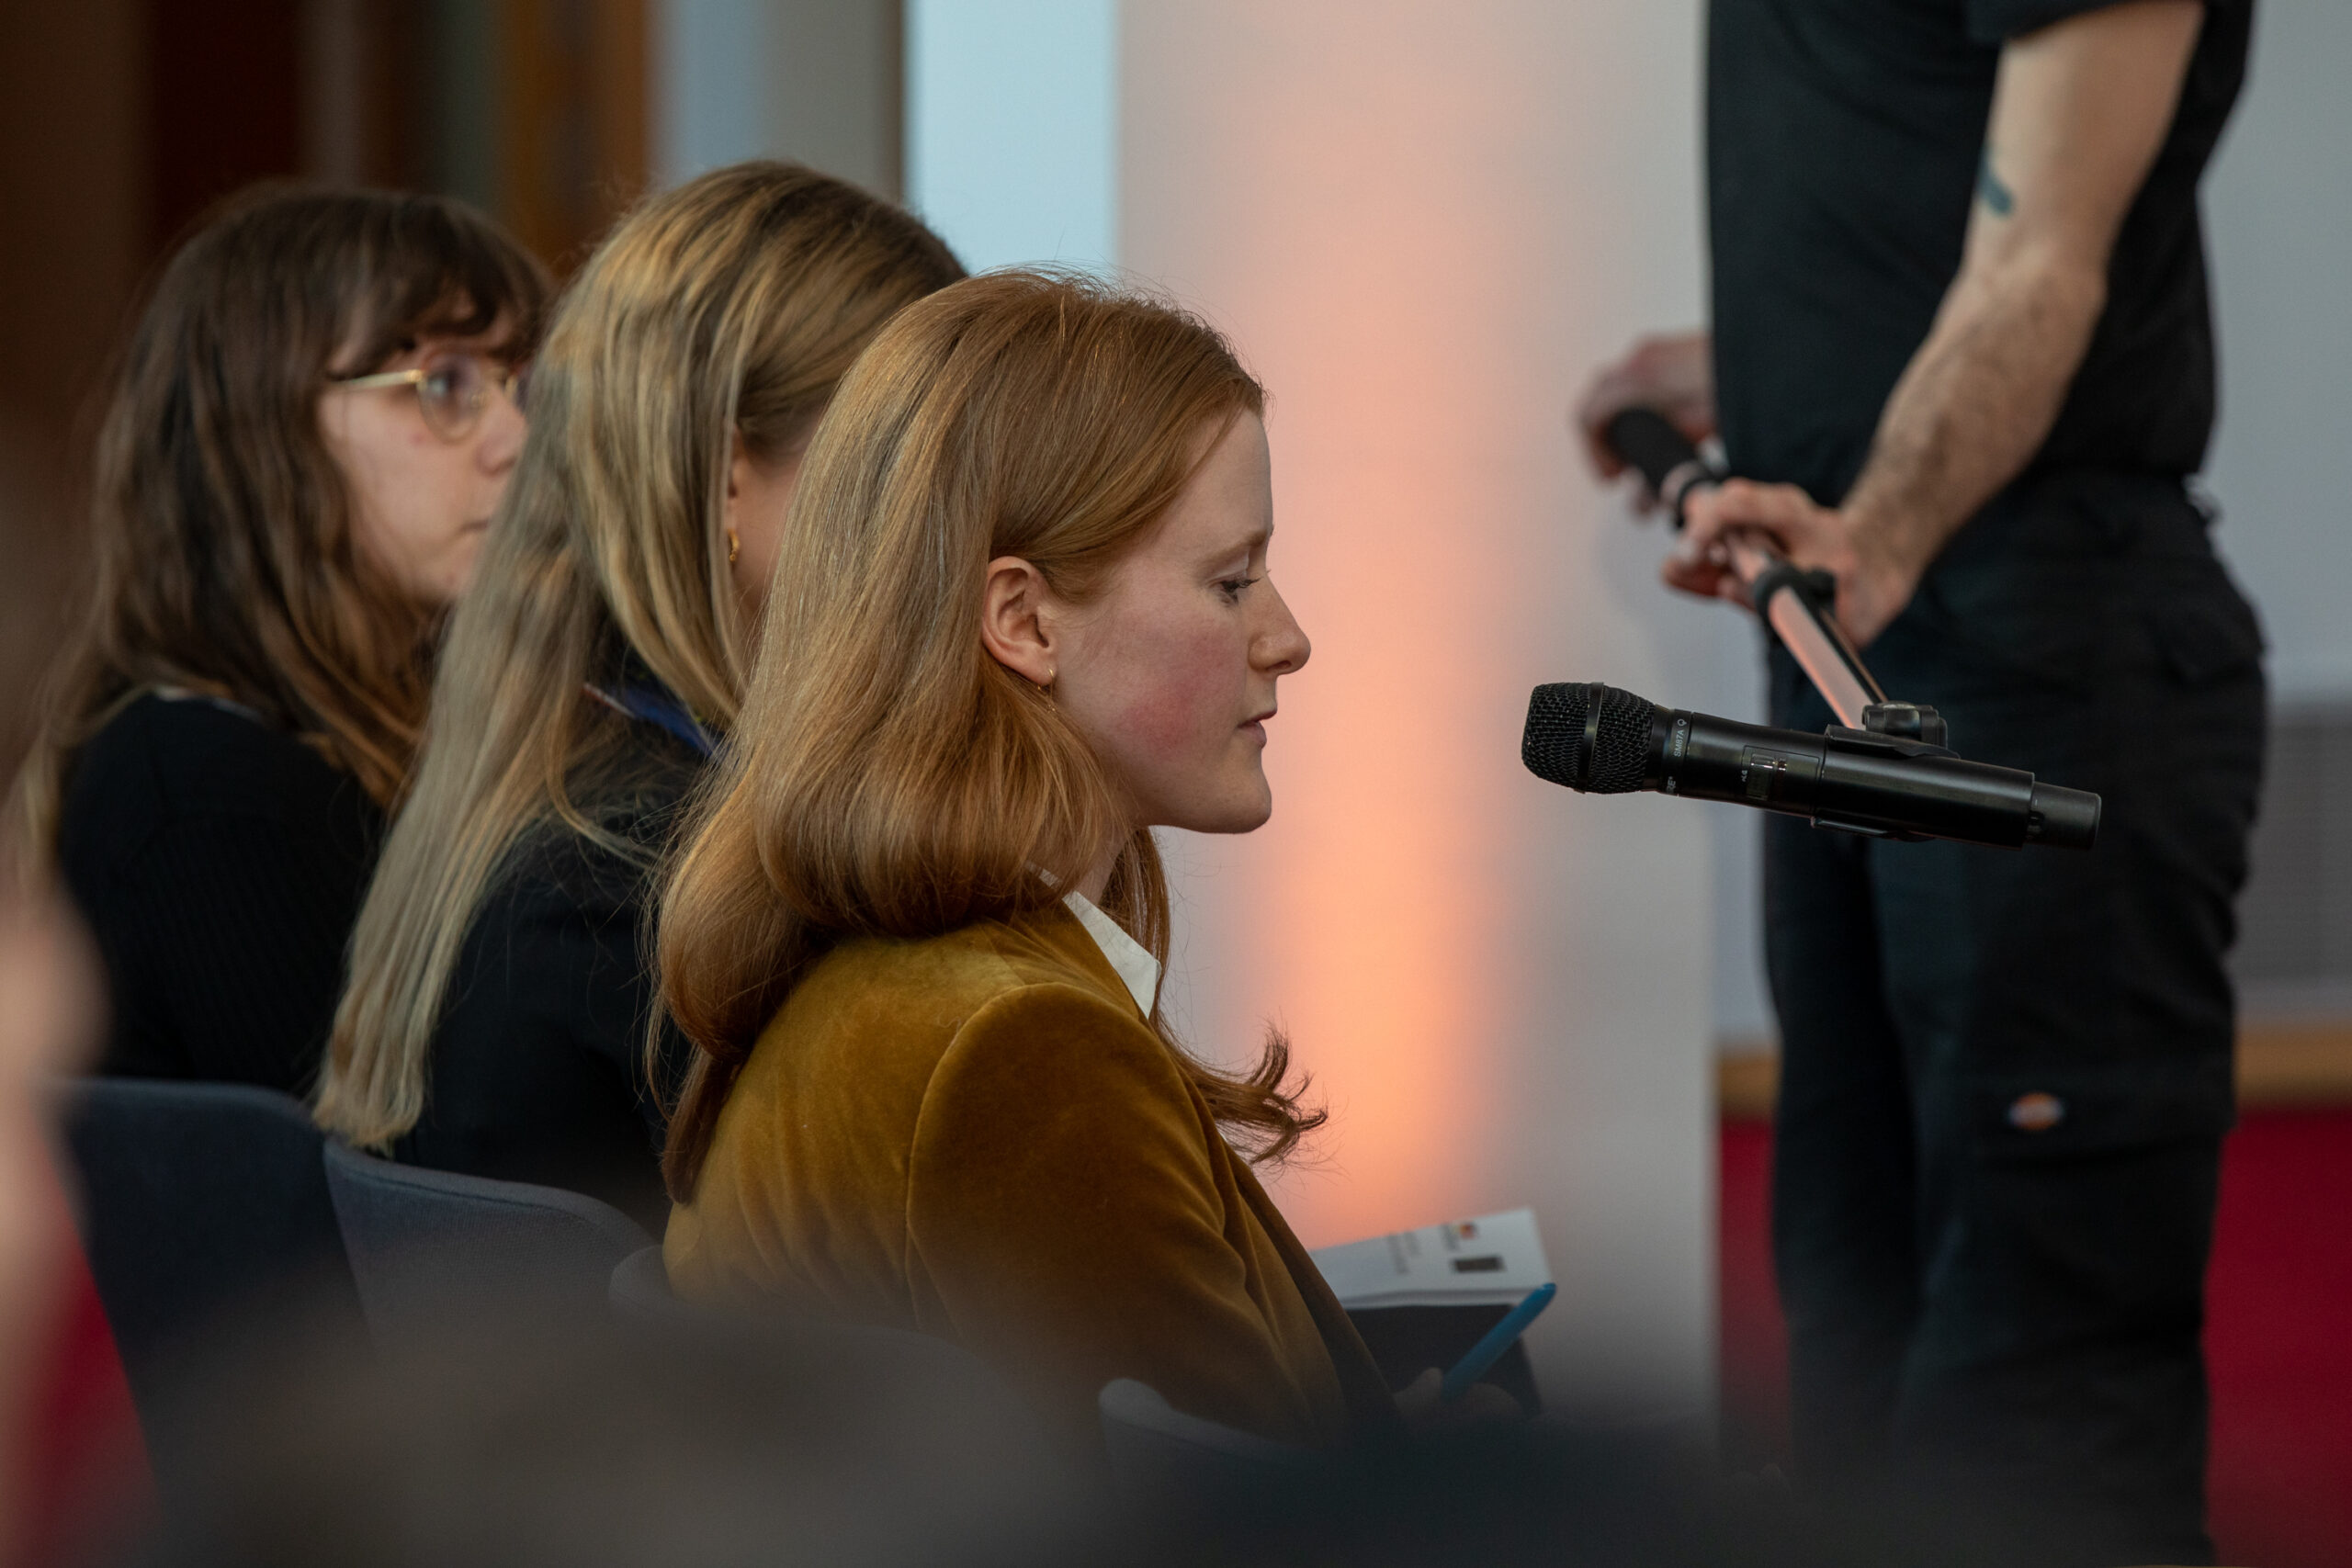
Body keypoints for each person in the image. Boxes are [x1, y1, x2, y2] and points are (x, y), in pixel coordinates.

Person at [1579, 4, 2260, 1562]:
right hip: (1852, 635)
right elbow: (1927, 180)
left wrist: (1878, 528)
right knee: (1853, 1322)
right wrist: (1758, 363)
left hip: (2040, 636)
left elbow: (2043, 258)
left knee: (2034, 1391)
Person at [652, 272, 1402, 1461]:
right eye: (1230, 580)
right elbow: (1248, 1533)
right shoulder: (1021, 1049)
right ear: (1024, 622)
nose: (1287, 636)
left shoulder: (889, 971)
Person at [314, 164, 963, 1226]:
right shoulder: (653, 889)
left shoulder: (577, 786)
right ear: (728, 481)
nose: (967, 534)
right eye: (916, 464)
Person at [8, 186, 548, 1095]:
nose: (517, 439)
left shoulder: (374, 739)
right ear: (266, 434)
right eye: (445, 385)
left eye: (521, 385)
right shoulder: (206, 792)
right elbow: (374, 1166)